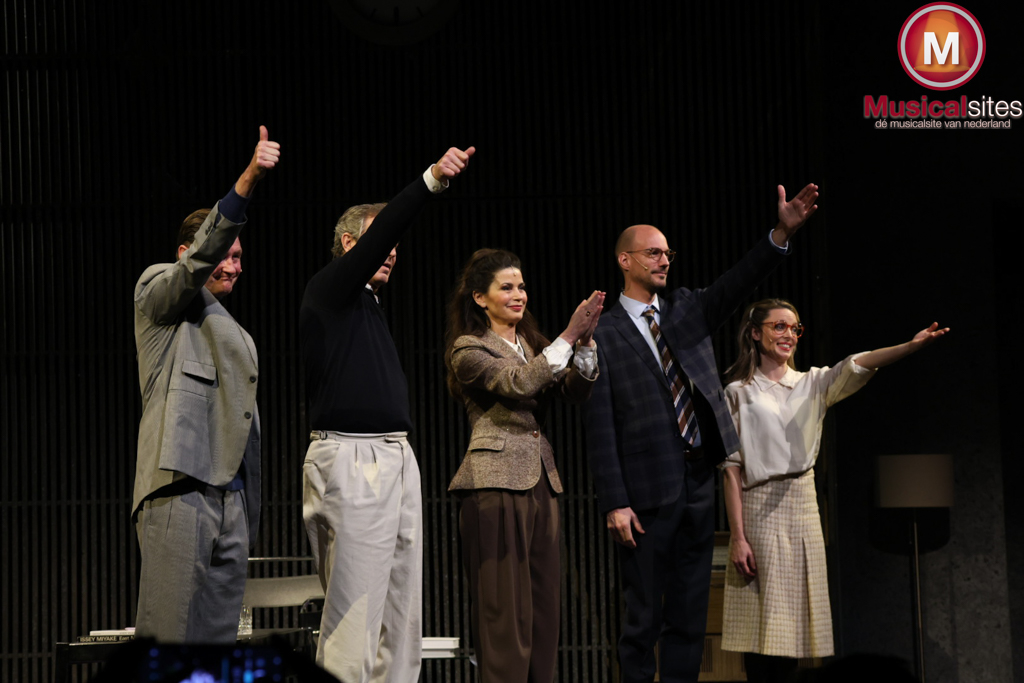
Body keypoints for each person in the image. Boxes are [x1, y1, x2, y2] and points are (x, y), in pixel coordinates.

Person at [583, 183, 820, 683]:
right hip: (644, 493)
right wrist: (614, 502)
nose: (664, 261)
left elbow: (739, 281)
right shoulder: (602, 331)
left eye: (668, 254)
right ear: (625, 260)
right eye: (653, 253)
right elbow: (599, 424)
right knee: (642, 618)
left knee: (689, 616)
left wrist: (780, 234)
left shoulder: (686, 308)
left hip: (696, 482)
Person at [299, 146, 474, 683]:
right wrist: (430, 181)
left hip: (394, 457)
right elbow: (383, 234)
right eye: (382, 242)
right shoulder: (330, 289)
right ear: (350, 244)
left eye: (396, 247)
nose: (392, 253)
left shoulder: (368, 308)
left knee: (401, 619)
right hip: (352, 458)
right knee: (355, 620)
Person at [720, 299, 948, 682]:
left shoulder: (812, 383)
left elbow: (858, 363)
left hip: (801, 504)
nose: (789, 335)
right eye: (779, 326)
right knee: (758, 628)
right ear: (755, 333)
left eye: (795, 328)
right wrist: (738, 537)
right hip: (758, 506)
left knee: (792, 631)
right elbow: (731, 470)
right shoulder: (737, 392)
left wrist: (910, 347)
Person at [131, 126, 281, 643]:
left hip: (231, 502)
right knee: (168, 639)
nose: (233, 266)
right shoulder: (159, 295)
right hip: (180, 487)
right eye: (225, 254)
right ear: (187, 252)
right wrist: (247, 182)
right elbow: (196, 263)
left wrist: (245, 508)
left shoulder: (236, 332)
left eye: (239, 257)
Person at [444, 249, 604, 682]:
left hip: (540, 482)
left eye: (522, 286)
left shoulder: (533, 345)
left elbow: (574, 391)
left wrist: (585, 344)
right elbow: (517, 383)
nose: (519, 295)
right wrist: (568, 336)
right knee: (504, 614)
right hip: (494, 485)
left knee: (544, 610)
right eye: (507, 287)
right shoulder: (468, 348)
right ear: (480, 298)